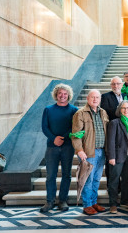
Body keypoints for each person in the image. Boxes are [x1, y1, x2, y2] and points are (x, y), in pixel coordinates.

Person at [40, 84, 78, 213]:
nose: (62, 96)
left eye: (65, 93)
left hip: (67, 146)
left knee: (66, 175)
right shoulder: (48, 109)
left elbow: (75, 127)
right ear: (56, 94)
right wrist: (54, 138)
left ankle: (63, 200)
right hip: (51, 147)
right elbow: (45, 127)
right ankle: (50, 201)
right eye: (60, 93)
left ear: (69, 95)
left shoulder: (74, 110)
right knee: (51, 175)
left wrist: (63, 137)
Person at [72, 89, 109, 215]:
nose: (95, 99)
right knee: (88, 179)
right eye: (92, 97)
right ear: (88, 99)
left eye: (97, 97)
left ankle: (93, 202)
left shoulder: (103, 112)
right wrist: (79, 150)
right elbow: (76, 135)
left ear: (100, 99)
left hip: (102, 152)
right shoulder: (80, 113)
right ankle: (87, 205)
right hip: (88, 152)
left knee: (97, 179)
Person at [106, 100, 128, 213]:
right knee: (114, 180)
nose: (126, 110)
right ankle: (113, 204)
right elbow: (110, 141)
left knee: (126, 180)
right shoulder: (114, 123)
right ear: (120, 110)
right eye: (124, 108)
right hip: (117, 156)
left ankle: (125, 200)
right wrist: (111, 157)